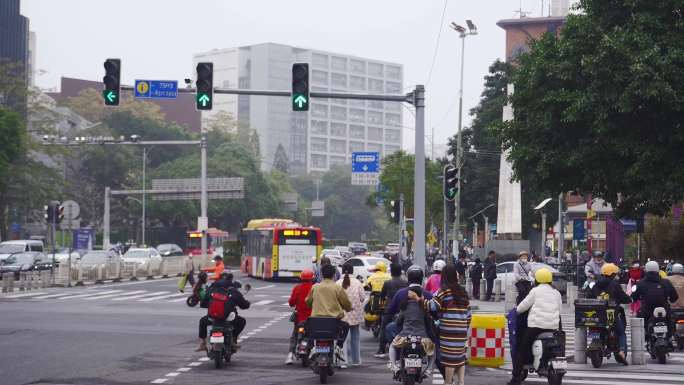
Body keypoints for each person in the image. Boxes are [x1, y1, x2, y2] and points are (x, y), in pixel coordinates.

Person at [411, 264, 470, 385]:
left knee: (449, 359)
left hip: (448, 331)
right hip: (462, 330)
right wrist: (465, 327)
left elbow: (431, 306)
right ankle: (461, 382)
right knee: (460, 357)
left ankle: (448, 382)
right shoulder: (463, 291)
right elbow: (469, 314)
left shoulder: (443, 291)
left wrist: (418, 299)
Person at [508, 268, 562, 385]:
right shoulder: (556, 293)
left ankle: (516, 378)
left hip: (536, 326)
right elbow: (560, 310)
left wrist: (513, 312)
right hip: (553, 327)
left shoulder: (535, 291)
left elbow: (523, 306)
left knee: (522, 349)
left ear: (537, 279)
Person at [388, 285, 436, 376]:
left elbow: (398, 321)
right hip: (422, 338)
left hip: (405, 337)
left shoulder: (404, 306)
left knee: (393, 346)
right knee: (433, 350)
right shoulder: (424, 307)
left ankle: (394, 366)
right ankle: (429, 369)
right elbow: (428, 320)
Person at [196, 272, 250, 351]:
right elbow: (244, 306)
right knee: (242, 321)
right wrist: (247, 303)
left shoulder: (211, 289)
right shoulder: (233, 290)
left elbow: (203, 304)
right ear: (230, 280)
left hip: (213, 317)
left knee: (202, 322)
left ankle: (202, 344)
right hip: (227, 318)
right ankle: (233, 339)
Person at [590, 263, 631, 364]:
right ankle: (621, 351)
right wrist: (629, 299)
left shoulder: (595, 285)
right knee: (621, 333)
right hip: (610, 314)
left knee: (593, 330)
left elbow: (589, 297)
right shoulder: (615, 285)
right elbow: (623, 297)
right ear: (612, 274)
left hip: (595, 315)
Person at [306, 264, 353, 351]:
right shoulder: (337, 288)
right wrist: (348, 308)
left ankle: (311, 348)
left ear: (322, 274)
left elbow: (308, 302)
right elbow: (346, 304)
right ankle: (339, 346)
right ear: (334, 274)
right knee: (346, 326)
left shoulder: (315, 287)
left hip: (316, 322)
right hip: (333, 323)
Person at [632, 261, 679, 336]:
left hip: (647, 311)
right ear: (658, 270)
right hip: (664, 310)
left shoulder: (640, 283)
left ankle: (645, 336)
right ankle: (670, 336)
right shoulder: (666, 282)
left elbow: (634, 297)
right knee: (670, 321)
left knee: (640, 323)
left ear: (646, 270)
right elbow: (674, 297)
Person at [337, 263, 366, 368]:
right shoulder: (358, 283)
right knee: (355, 337)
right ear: (352, 271)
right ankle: (356, 360)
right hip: (355, 314)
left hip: (342, 315)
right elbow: (362, 298)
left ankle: (342, 362)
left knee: (341, 338)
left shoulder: (338, 283)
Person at [376, 263, 408, 358]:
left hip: (390, 310)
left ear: (391, 272)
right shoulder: (405, 283)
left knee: (384, 327)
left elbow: (382, 296)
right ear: (400, 272)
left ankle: (381, 349)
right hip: (403, 310)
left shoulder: (387, 283)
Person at [286, 268, 314, 365]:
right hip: (312, 319)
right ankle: (312, 353)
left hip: (299, 318)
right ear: (312, 279)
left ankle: (290, 355)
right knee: (313, 335)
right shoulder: (314, 288)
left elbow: (291, 303)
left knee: (294, 335)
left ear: (301, 278)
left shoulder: (297, 288)